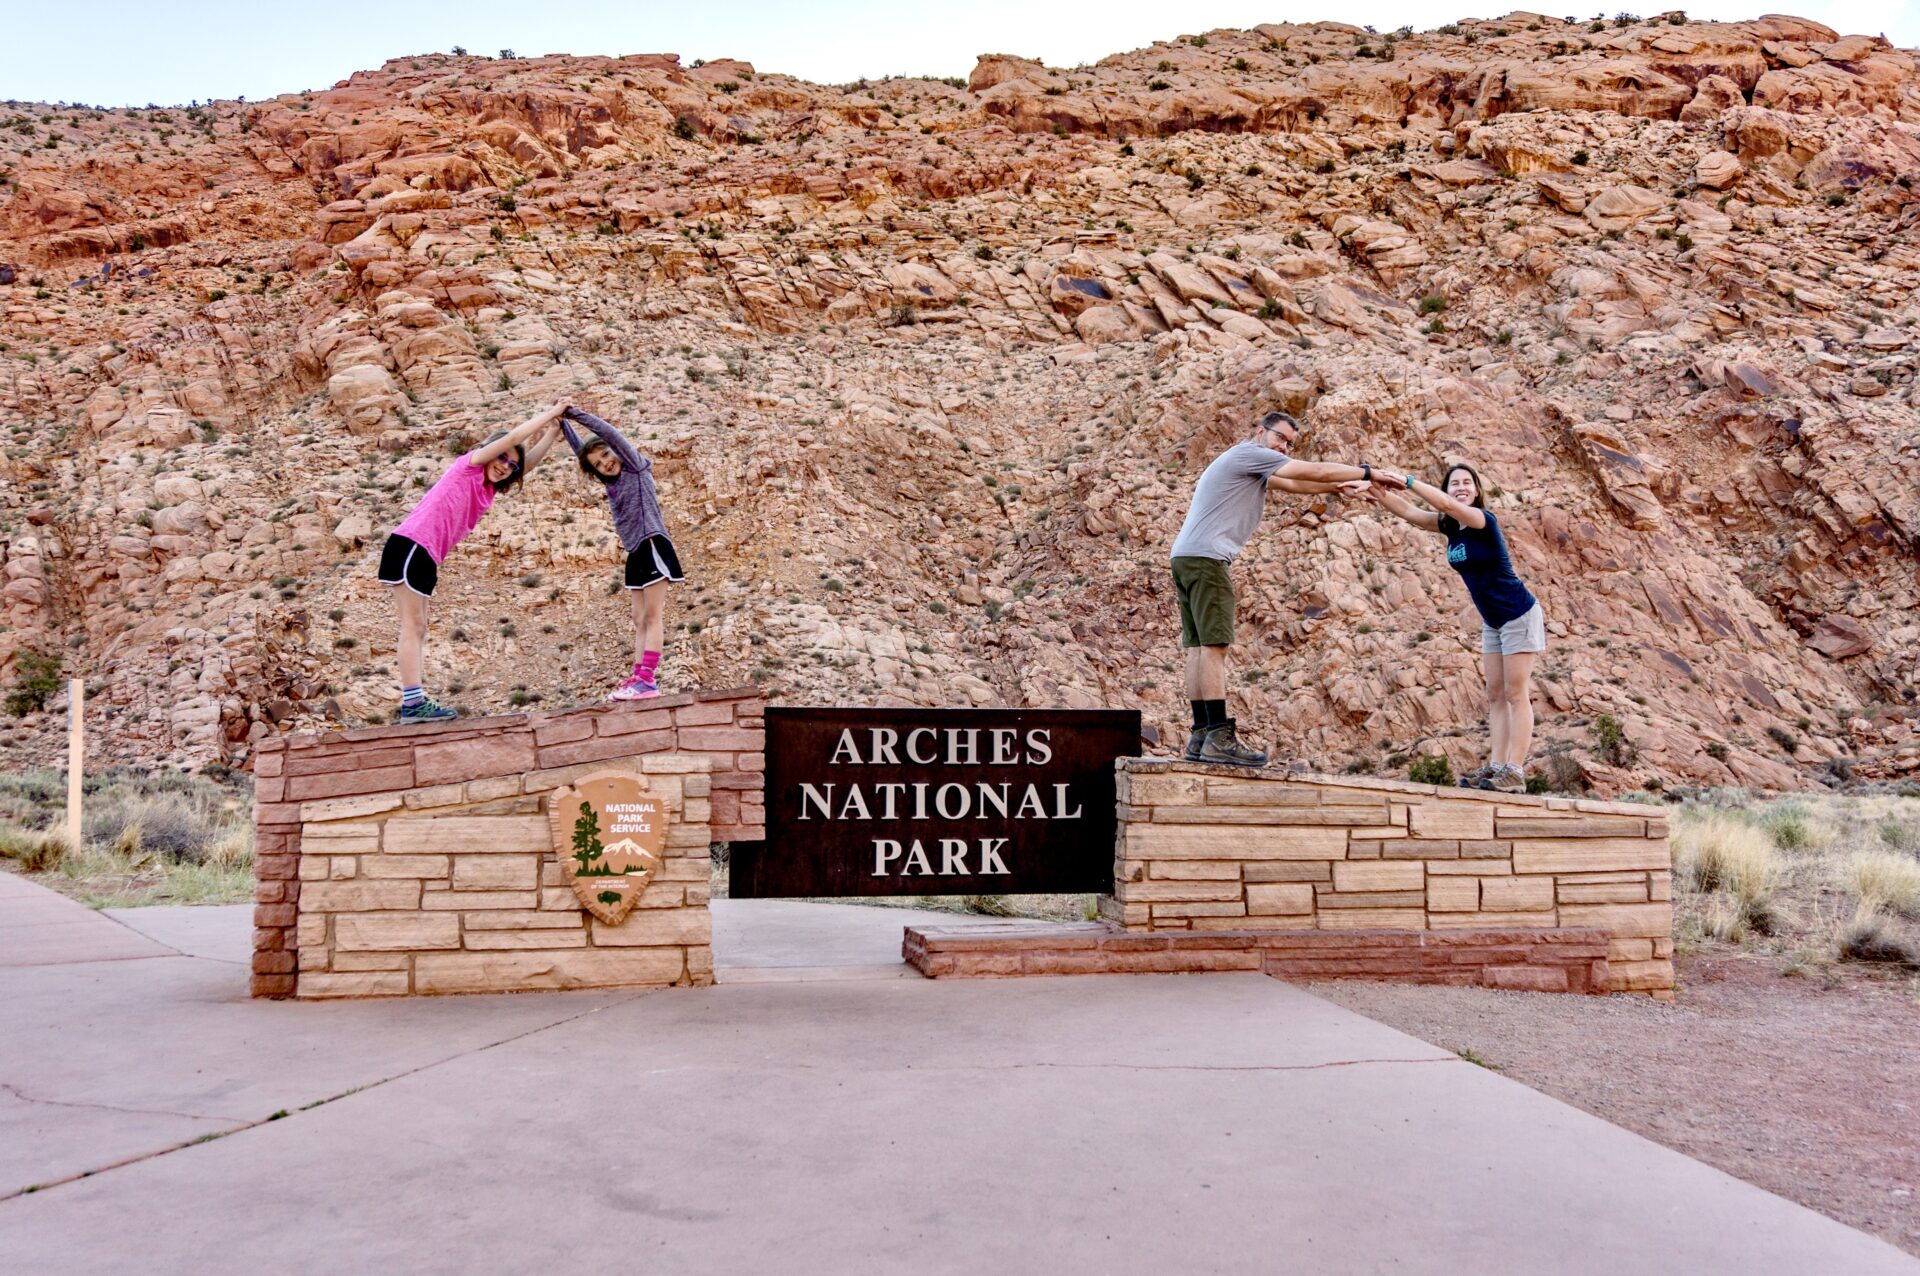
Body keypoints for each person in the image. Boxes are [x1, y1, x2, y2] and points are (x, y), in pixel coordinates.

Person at [1169, 410, 1373, 766]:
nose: (1284, 448)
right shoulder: (1249, 453)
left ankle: (1201, 734)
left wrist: (1340, 487)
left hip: (1186, 557)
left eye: (1290, 444)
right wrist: (1370, 473)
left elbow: (1298, 484)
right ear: (1260, 431)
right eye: (1280, 438)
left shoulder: (1248, 463)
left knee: (1198, 647)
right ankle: (1218, 734)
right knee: (1214, 646)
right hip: (1208, 560)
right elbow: (1315, 471)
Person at [376, 403, 568, 722]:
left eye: (511, 465)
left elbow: (527, 464)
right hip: (410, 545)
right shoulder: (470, 465)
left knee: (420, 626)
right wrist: (551, 413)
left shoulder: (488, 489)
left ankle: (415, 700)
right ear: (491, 451)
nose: (506, 465)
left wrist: (553, 432)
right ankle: (412, 704)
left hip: (426, 555)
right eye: (503, 457)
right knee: (412, 625)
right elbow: (516, 437)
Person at [1363, 463, 1544, 793]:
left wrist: (1408, 480)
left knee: (1516, 694)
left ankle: (1514, 772)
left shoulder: (1482, 521)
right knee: (1495, 696)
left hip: (1519, 614)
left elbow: (1443, 505)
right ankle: (1496, 766)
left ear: (1476, 490)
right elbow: (1409, 511)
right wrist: (1373, 490)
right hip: (1494, 621)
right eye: (1454, 483)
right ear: (1447, 488)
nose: (1460, 487)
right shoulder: (1450, 527)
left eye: (1466, 482)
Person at [559, 406, 683, 702]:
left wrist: (573, 413)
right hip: (636, 552)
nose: (605, 463)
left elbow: (608, 433)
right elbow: (581, 451)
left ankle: (648, 680)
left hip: (652, 543)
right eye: (598, 464)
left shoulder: (635, 467)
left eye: (606, 455)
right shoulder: (610, 482)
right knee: (638, 617)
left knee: (653, 615)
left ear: (615, 451)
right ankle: (638, 675)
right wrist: (562, 424)